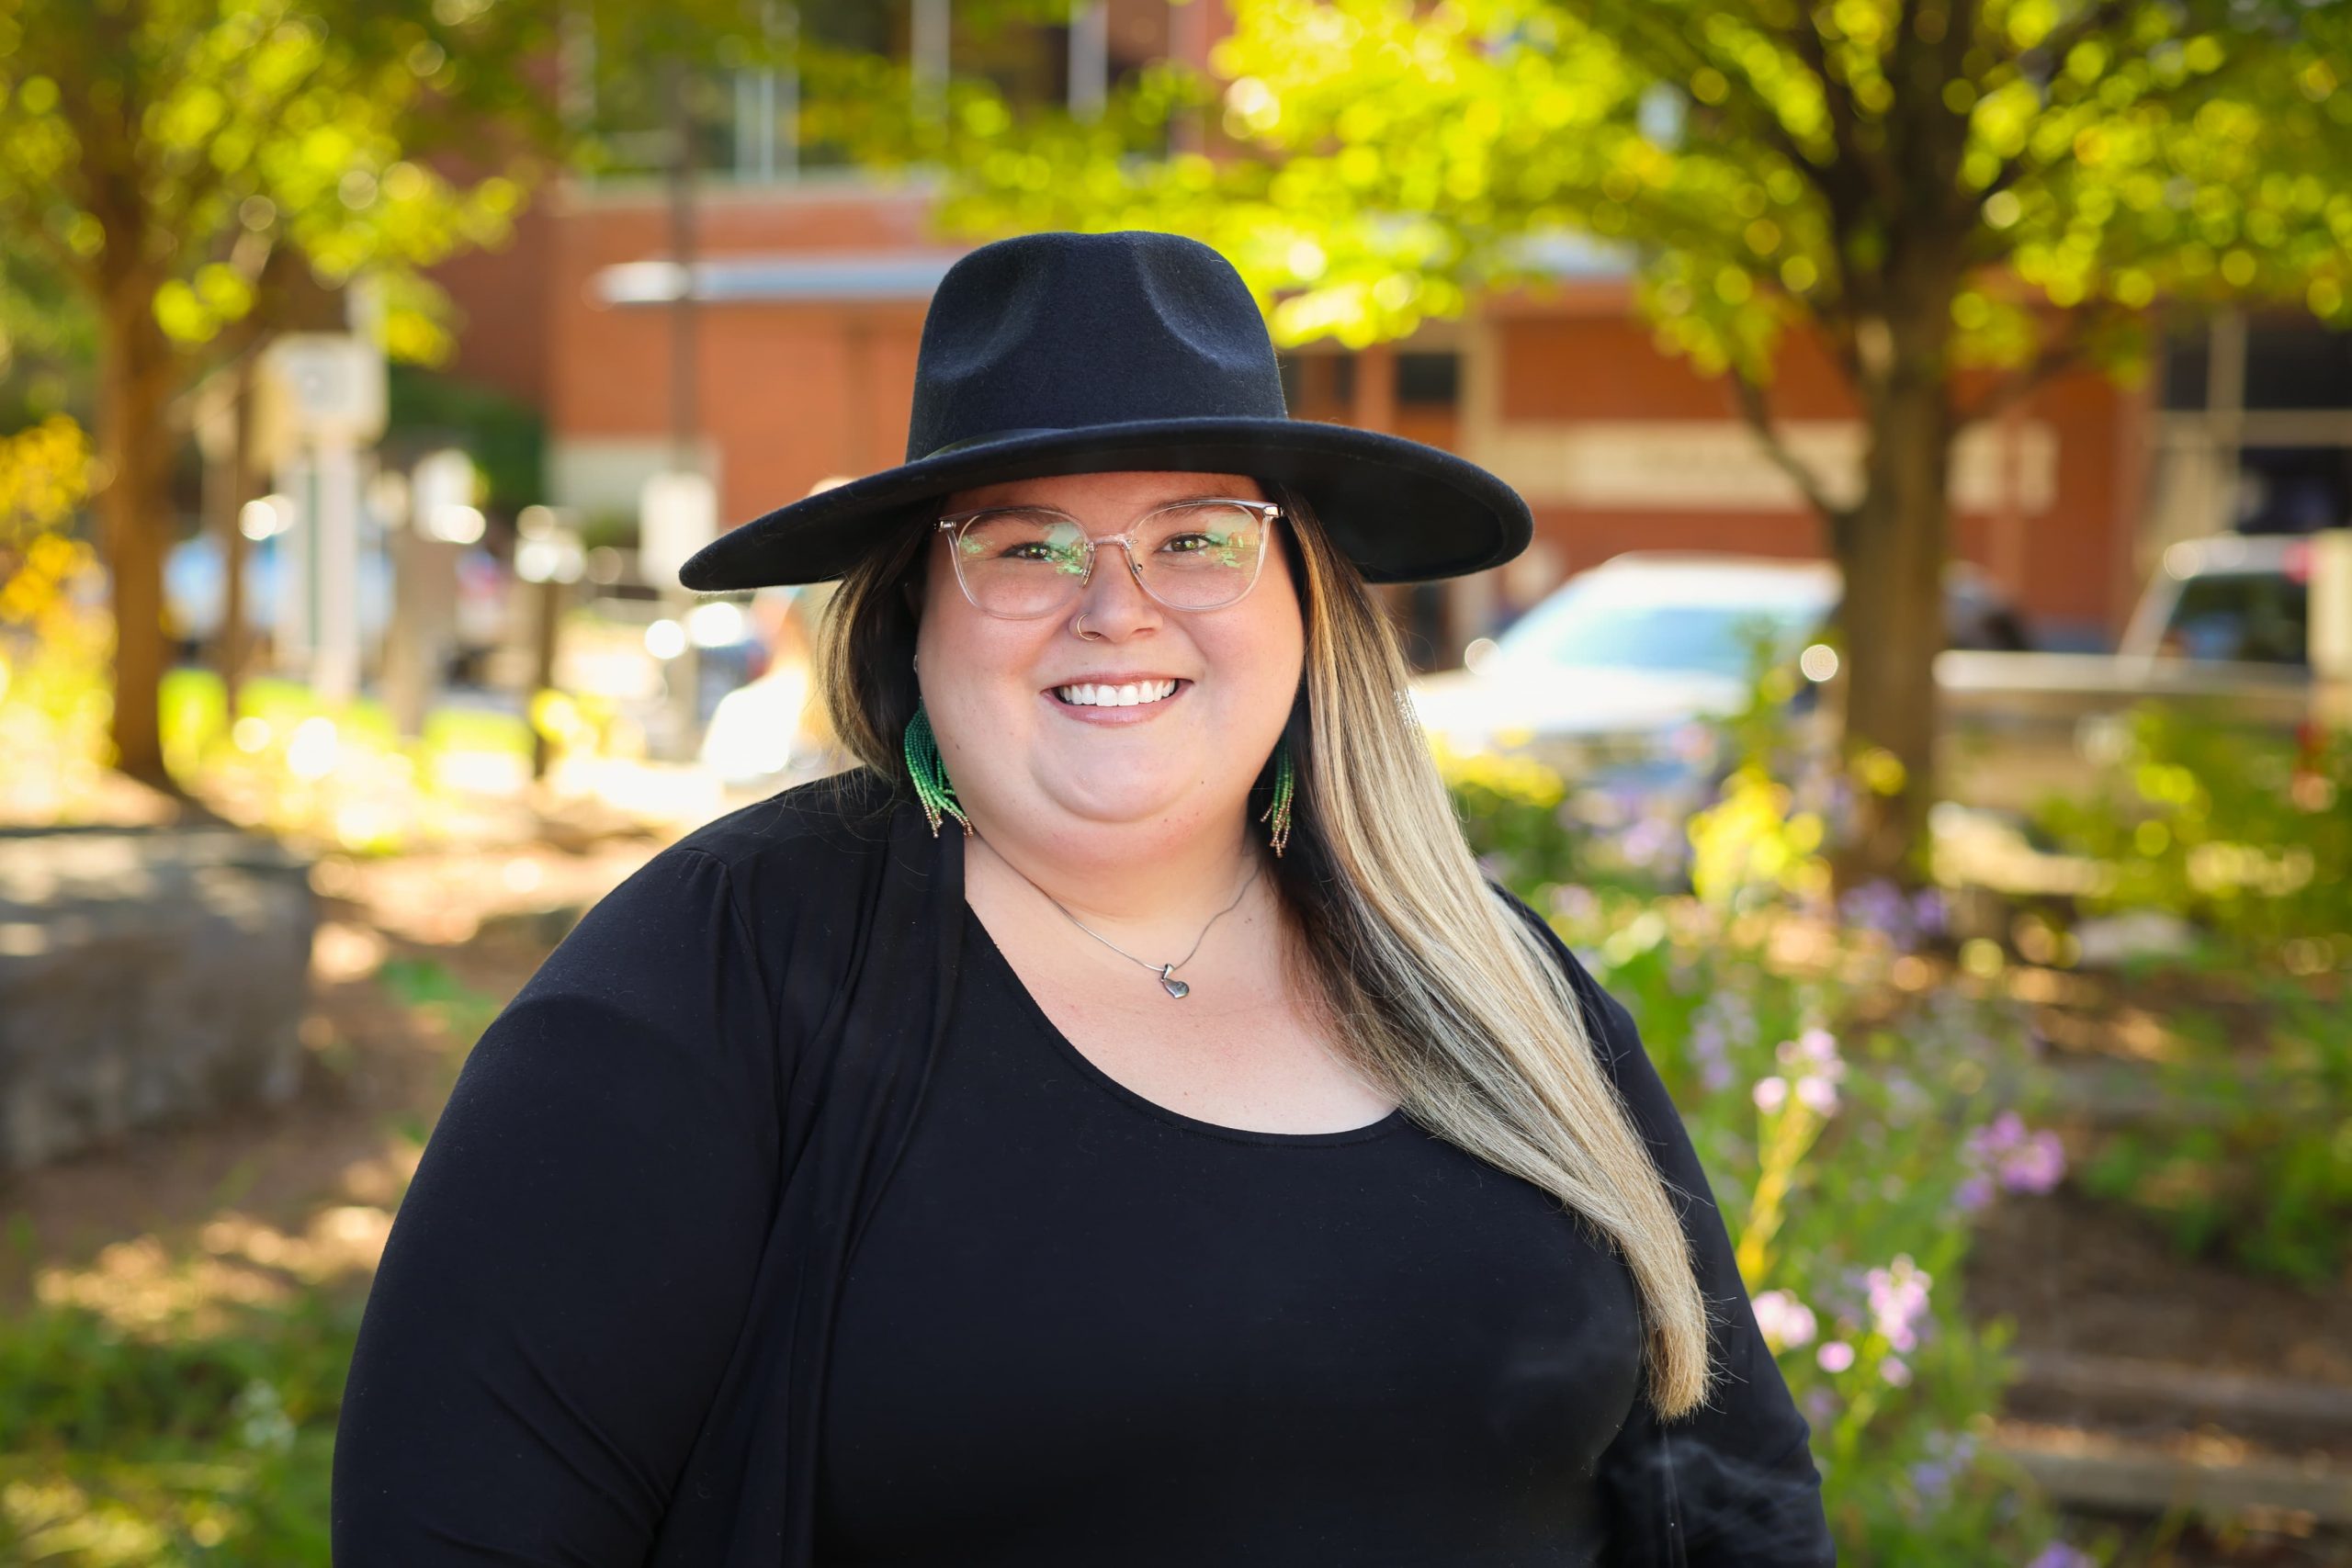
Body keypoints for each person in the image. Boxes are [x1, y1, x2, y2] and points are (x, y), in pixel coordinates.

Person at [332, 231, 1835, 1567]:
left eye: (1196, 537)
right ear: (915, 612)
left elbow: (1730, 1499)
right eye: (1027, 544)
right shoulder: (710, 985)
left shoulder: (1499, 984)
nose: (1117, 605)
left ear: (1301, 595)